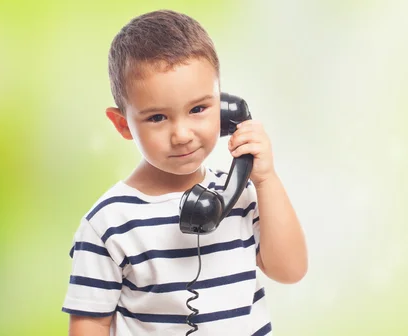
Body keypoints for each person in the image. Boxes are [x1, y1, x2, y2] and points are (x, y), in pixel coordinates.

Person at [61, 9, 308, 336]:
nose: (181, 134)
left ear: (224, 108)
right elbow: (90, 323)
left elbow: (290, 270)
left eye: (198, 109)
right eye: (157, 118)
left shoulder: (242, 193)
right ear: (123, 124)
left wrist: (265, 179)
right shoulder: (108, 223)